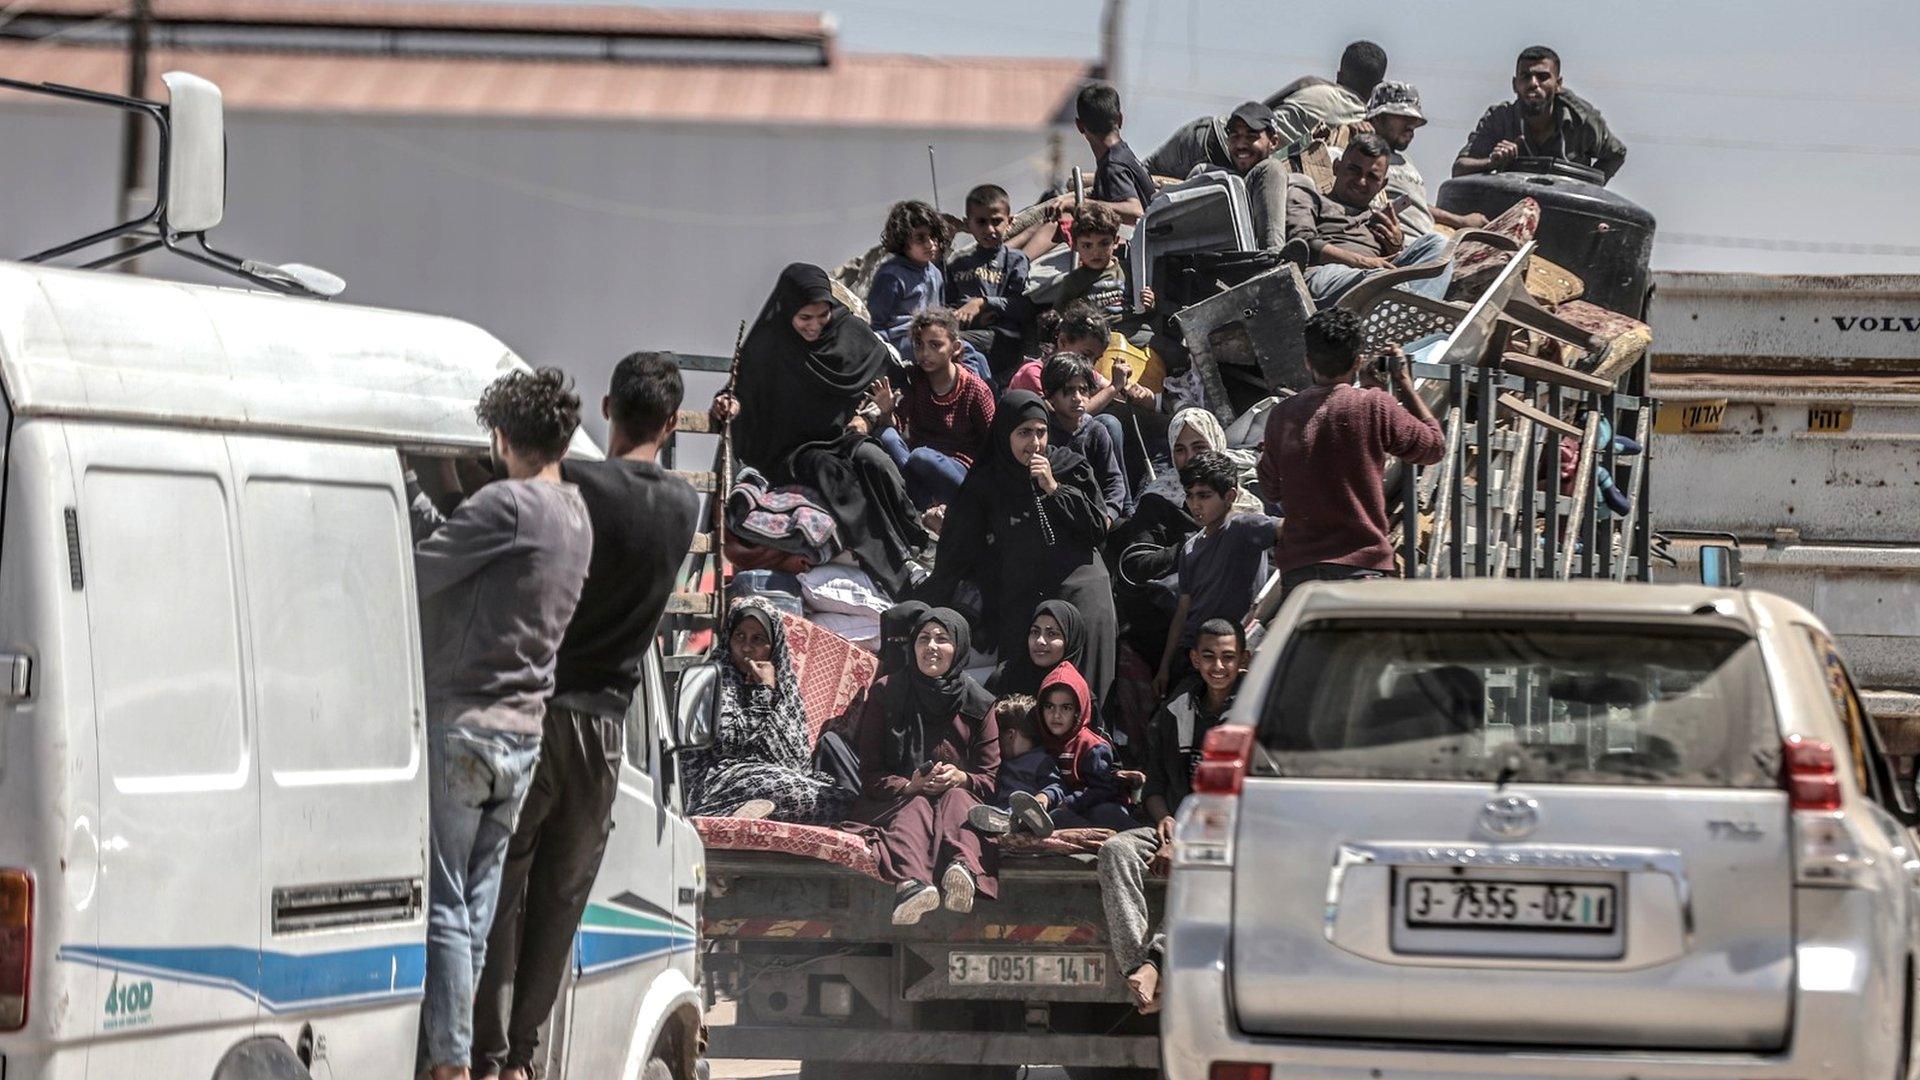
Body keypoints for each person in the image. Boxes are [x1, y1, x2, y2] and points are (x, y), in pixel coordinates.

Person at [472, 353, 700, 1080]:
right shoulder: (684, 507)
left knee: (501, 889)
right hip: (604, 733)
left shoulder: (575, 481)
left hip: (536, 713)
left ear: (606, 407)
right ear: (670, 423)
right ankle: (523, 1060)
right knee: (559, 907)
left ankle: (488, 1052)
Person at [408, 368, 594, 1080]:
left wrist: (417, 492)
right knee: (478, 907)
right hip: (523, 734)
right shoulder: (574, 513)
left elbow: (422, 570)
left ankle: (450, 1061)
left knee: (447, 902)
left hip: (469, 729)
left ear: (501, 436)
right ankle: (454, 1047)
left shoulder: (509, 505)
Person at [713, 263, 930, 598]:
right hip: (793, 449)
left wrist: (869, 419)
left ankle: (914, 543)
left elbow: (891, 383)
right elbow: (740, 395)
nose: (814, 326)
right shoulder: (767, 347)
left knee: (875, 460)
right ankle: (897, 572)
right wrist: (730, 405)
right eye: (805, 319)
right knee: (832, 474)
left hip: (841, 436)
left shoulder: (850, 334)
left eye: (821, 316)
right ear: (787, 312)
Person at [917, 391, 1119, 711]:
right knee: (1020, 684)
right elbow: (958, 550)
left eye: (1041, 432)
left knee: (1084, 634)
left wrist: (1054, 489)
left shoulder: (1069, 465)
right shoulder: (987, 484)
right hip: (1023, 589)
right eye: (1024, 433)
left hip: (1078, 579)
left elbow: (1096, 529)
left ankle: (1089, 731)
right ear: (1005, 433)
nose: (1035, 443)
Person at [1101, 618, 1250, 1014]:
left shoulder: (1254, 715)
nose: (1218, 667)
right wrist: (1165, 820)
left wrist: (1182, 839)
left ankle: (1157, 963)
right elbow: (1154, 787)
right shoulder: (1176, 711)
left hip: (1230, 833)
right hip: (1177, 826)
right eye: (1209, 657)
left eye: (1228, 658)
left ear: (1243, 660)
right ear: (1194, 659)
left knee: (1203, 866)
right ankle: (1140, 968)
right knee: (1116, 851)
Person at [1257, 309, 1446, 603]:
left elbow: (1270, 489)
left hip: (1301, 576)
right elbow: (1433, 447)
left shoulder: (1282, 415)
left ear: (1308, 361)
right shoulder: (1374, 405)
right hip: (1362, 570)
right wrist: (1403, 382)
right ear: (1358, 361)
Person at [848, 607, 1001, 925]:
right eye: (923, 639)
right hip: (896, 801)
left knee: (958, 800)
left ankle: (961, 871)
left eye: (942, 639)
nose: (931, 646)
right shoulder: (887, 691)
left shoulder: (979, 703)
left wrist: (961, 778)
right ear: (912, 647)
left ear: (958, 647)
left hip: (955, 802)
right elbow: (870, 771)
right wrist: (909, 784)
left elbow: (989, 778)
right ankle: (914, 886)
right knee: (916, 804)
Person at [681, 598, 861, 822]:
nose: (746, 647)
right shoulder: (713, 678)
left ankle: (752, 809)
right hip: (714, 781)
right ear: (729, 637)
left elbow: (795, 756)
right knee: (806, 796)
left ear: (773, 645)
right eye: (740, 636)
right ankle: (727, 810)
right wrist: (762, 692)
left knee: (836, 797)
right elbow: (727, 747)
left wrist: (771, 690)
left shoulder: (783, 682)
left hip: (764, 775)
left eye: (758, 639)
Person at [1154, 451, 1282, 696]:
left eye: (1204, 496)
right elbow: (1183, 611)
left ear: (1229, 496)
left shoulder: (1242, 527)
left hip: (1228, 656)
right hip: (1193, 656)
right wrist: (1165, 667)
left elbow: (1287, 529)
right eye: (1190, 496)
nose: (1195, 504)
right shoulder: (1191, 547)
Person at [1285, 131, 1453, 306]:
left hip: (1377, 278)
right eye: (1354, 170)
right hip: (1325, 274)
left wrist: (1395, 245)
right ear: (1337, 167)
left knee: (1437, 244)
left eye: (1372, 177)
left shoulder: (1379, 218)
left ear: (1383, 185)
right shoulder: (1309, 196)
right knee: (1383, 283)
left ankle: (1409, 308)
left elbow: (1392, 264)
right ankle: (1406, 306)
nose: (1361, 181)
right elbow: (1302, 244)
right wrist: (1364, 263)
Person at [874, 308, 997, 511]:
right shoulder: (914, 379)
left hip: (958, 471)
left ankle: (965, 506)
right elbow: (897, 426)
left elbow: (993, 442)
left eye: (935, 345)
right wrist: (887, 411)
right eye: (919, 345)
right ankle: (927, 508)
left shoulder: (974, 388)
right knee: (884, 436)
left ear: (955, 348)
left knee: (923, 457)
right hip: (917, 465)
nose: (925, 354)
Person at [1453, 45, 1627, 182]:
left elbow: (1616, 154)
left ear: (1558, 84)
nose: (1533, 83)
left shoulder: (1582, 119)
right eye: (1525, 76)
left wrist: (1589, 186)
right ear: (1515, 84)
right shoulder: (1500, 118)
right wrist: (1492, 162)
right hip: (1513, 204)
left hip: (1566, 209)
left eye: (1542, 77)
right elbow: (1459, 169)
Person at [1344, 81, 1488, 238]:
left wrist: (1460, 221)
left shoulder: (1406, 161)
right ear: (1378, 118)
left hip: (1424, 241)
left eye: (1415, 121)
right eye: (1403, 117)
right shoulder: (1359, 155)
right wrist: (1349, 132)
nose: (1411, 126)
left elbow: (1413, 204)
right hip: (1393, 241)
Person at [1032, 663, 1138, 830]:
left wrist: (1069, 803)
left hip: (1095, 806)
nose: (1056, 715)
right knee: (1056, 818)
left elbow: (1101, 790)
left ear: (1078, 711)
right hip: (1061, 807)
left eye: (1066, 708)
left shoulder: (1092, 746)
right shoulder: (1043, 742)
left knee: (1104, 813)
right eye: (1049, 706)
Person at [945, 183, 1032, 377]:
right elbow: (947, 304)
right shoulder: (957, 264)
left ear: (1009, 221)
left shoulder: (1015, 260)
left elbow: (1022, 306)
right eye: (981, 222)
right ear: (968, 224)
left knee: (947, 343)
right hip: (965, 332)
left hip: (1000, 338)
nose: (989, 229)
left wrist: (983, 304)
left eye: (996, 221)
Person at [1041, 353, 1130, 522]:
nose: (1077, 398)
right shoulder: (1043, 433)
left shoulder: (1096, 431)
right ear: (1051, 396)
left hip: (1094, 517)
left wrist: (1108, 517)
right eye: (1068, 391)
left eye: (1082, 390)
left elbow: (1114, 481)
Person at [867, 199, 953, 361]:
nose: (930, 244)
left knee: (970, 352)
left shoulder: (935, 273)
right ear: (903, 242)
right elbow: (876, 324)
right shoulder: (892, 276)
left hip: (932, 337)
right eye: (920, 239)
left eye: (933, 237)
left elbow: (939, 315)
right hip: (900, 341)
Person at [1267, 40, 1389, 151]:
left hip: (1260, 148)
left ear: (1339, 76)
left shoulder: (1310, 84)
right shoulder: (1364, 122)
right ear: (1378, 87)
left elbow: (1263, 108)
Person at [966, 694, 1058, 838]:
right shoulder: (1000, 764)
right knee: (992, 812)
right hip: (1001, 811)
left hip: (1028, 807)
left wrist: (1043, 797)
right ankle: (1007, 823)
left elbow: (1055, 785)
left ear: (1010, 735)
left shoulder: (1041, 760)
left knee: (1023, 807)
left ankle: (1029, 821)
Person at [1022, 203, 1133, 321]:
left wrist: (1149, 302)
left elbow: (1147, 306)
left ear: (1115, 242)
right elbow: (1059, 317)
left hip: (1131, 329)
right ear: (1075, 245)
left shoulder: (1129, 271)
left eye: (1103, 244)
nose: (1096, 253)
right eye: (1087, 246)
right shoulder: (1074, 282)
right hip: (1096, 335)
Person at [987, 598, 1088, 699]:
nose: (1040, 641)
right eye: (1035, 632)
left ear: (1071, 640)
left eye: (1051, 634)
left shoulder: (1080, 692)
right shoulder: (1003, 679)